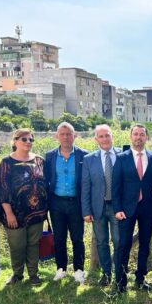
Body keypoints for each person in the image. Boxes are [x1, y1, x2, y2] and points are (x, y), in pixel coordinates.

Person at [112, 124, 152, 292]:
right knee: (123, 244)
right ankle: (120, 280)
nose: (139, 137)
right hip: (126, 209)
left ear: (146, 137)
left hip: (147, 207)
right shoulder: (121, 158)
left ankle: (140, 278)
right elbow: (115, 186)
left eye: (142, 134)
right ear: (131, 137)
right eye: (136, 134)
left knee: (145, 244)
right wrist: (117, 208)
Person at [0, 129, 48, 286]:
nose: (28, 142)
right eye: (24, 139)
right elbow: (1, 189)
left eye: (31, 139)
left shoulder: (39, 160)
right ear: (15, 141)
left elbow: (46, 183)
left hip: (36, 212)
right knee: (17, 245)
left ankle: (33, 274)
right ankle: (17, 274)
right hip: (14, 213)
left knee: (33, 244)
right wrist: (8, 213)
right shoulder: (6, 163)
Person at [44, 122, 89, 284]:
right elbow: (46, 179)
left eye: (68, 134)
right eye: (62, 134)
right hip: (56, 203)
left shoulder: (84, 155)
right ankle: (61, 269)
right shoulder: (49, 156)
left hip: (76, 204)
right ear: (57, 136)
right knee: (59, 238)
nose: (65, 137)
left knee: (77, 238)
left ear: (74, 136)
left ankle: (79, 270)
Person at [81, 125, 121, 286]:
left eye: (107, 135)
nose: (104, 139)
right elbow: (85, 186)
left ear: (112, 137)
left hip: (117, 207)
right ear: (96, 139)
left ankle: (120, 272)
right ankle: (106, 273)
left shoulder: (122, 155)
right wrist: (86, 211)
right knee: (102, 242)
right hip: (98, 208)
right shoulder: (89, 159)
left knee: (118, 241)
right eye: (101, 136)